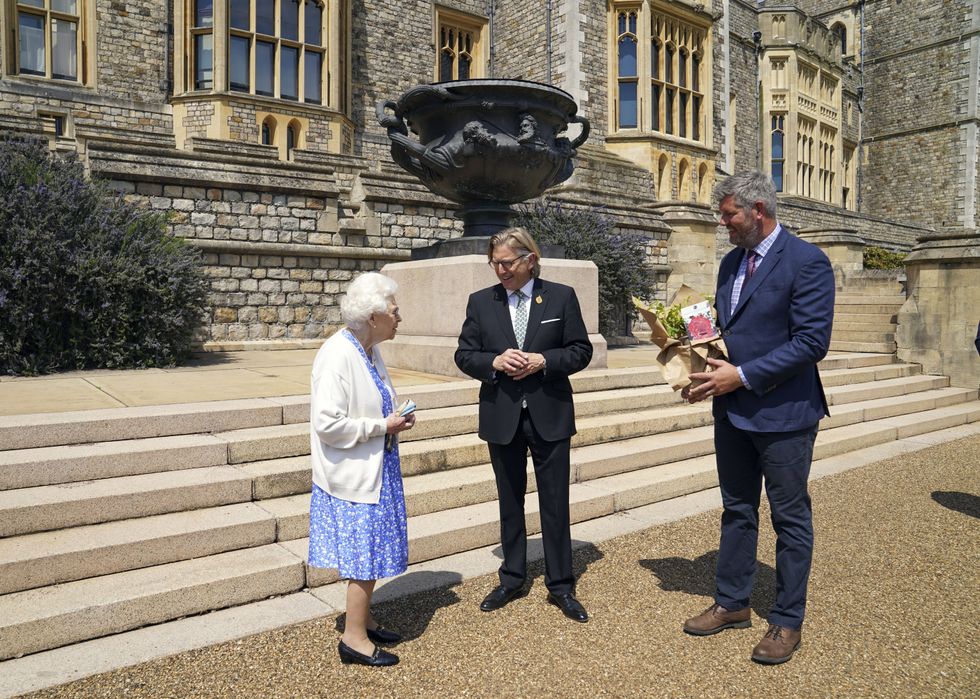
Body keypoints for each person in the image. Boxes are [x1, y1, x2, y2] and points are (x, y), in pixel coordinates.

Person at [682, 171, 835, 665]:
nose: (722, 222)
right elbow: (727, 331)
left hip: (785, 413)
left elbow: (812, 343)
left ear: (758, 212)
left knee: (789, 520)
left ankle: (787, 620)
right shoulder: (731, 262)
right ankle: (732, 602)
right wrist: (698, 366)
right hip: (733, 412)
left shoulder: (807, 262)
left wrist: (741, 376)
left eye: (729, 214)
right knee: (737, 509)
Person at [455, 227, 594, 622]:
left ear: (530, 259)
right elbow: (464, 355)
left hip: (550, 413)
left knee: (555, 503)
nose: (500, 270)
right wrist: (493, 363)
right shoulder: (481, 302)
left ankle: (561, 585)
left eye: (507, 262)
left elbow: (580, 351)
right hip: (502, 415)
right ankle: (512, 578)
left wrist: (544, 361)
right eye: (494, 263)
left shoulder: (561, 296)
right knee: (509, 501)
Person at [307, 272, 416, 667]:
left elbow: (371, 403)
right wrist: (381, 426)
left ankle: (363, 619)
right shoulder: (337, 354)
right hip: (353, 476)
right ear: (373, 316)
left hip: (375, 467)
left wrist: (394, 419)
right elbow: (328, 424)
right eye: (393, 309)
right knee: (364, 556)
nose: (399, 315)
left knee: (369, 552)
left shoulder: (367, 349)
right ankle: (353, 640)